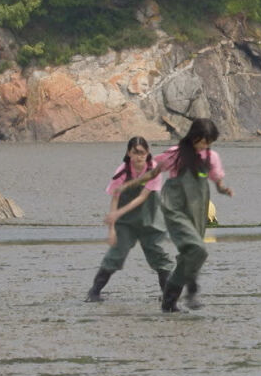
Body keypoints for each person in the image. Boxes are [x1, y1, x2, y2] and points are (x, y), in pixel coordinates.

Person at [122, 118, 233, 313]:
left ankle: (171, 300)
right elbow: (154, 170)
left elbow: (216, 179)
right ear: (194, 137)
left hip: (197, 206)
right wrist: (133, 182)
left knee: (190, 253)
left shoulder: (211, 157)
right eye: (203, 141)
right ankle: (180, 290)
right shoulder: (176, 155)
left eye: (209, 142)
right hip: (175, 206)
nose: (205, 146)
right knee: (198, 249)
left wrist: (224, 189)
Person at [87, 137, 173, 302]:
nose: (138, 156)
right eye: (135, 152)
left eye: (142, 153)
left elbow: (142, 197)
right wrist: (112, 229)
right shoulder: (122, 171)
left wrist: (117, 214)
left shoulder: (153, 169)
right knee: (115, 254)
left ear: (147, 153)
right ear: (128, 153)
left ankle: (168, 295)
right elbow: (115, 198)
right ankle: (94, 293)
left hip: (150, 219)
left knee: (158, 255)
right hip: (126, 222)